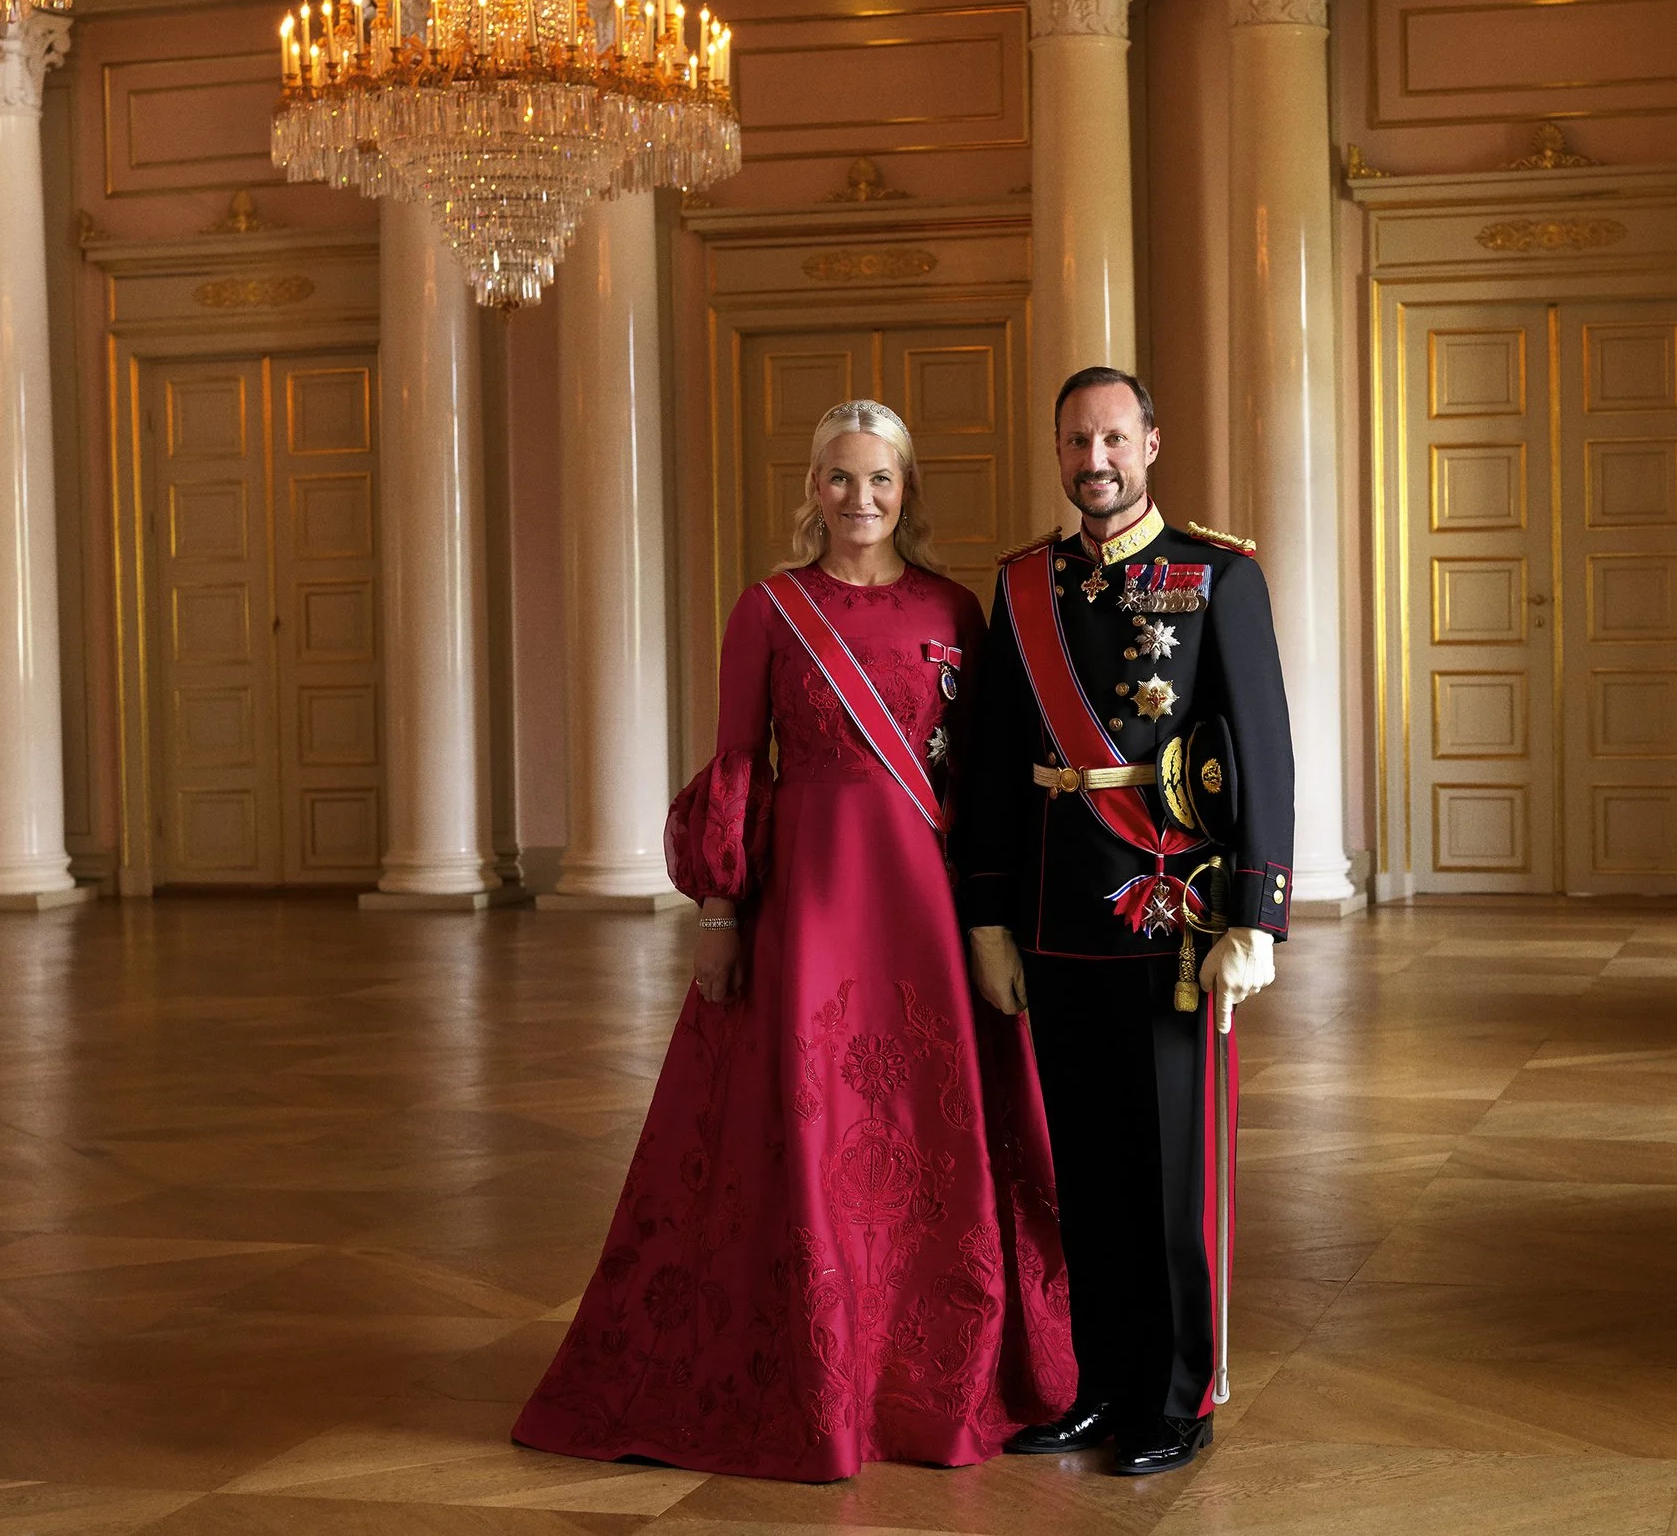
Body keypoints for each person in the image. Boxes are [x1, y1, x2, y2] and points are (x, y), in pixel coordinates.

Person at [512, 400, 1075, 1482]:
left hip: (925, 909)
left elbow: (983, 778)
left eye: (880, 479)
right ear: (813, 488)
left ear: (907, 492)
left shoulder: (955, 610)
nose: (860, 498)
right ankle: (821, 1375)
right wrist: (720, 916)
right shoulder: (768, 609)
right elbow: (739, 764)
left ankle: (926, 1378)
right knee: (815, 1130)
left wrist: (995, 916)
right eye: (840, 477)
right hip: (809, 912)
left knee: (927, 1129)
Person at [956, 366, 1294, 1477]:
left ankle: (1177, 1396)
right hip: (1055, 915)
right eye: (1074, 442)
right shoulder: (1023, 584)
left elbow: (1265, 747)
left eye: (1111, 439)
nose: (1092, 461)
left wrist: (1257, 916)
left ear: (1149, 444)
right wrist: (988, 918)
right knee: (1087, 1168)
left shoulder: (1218, 574)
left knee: (1169, 1178)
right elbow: (994, 766)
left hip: (1172, 917)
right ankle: (1100, 1384)